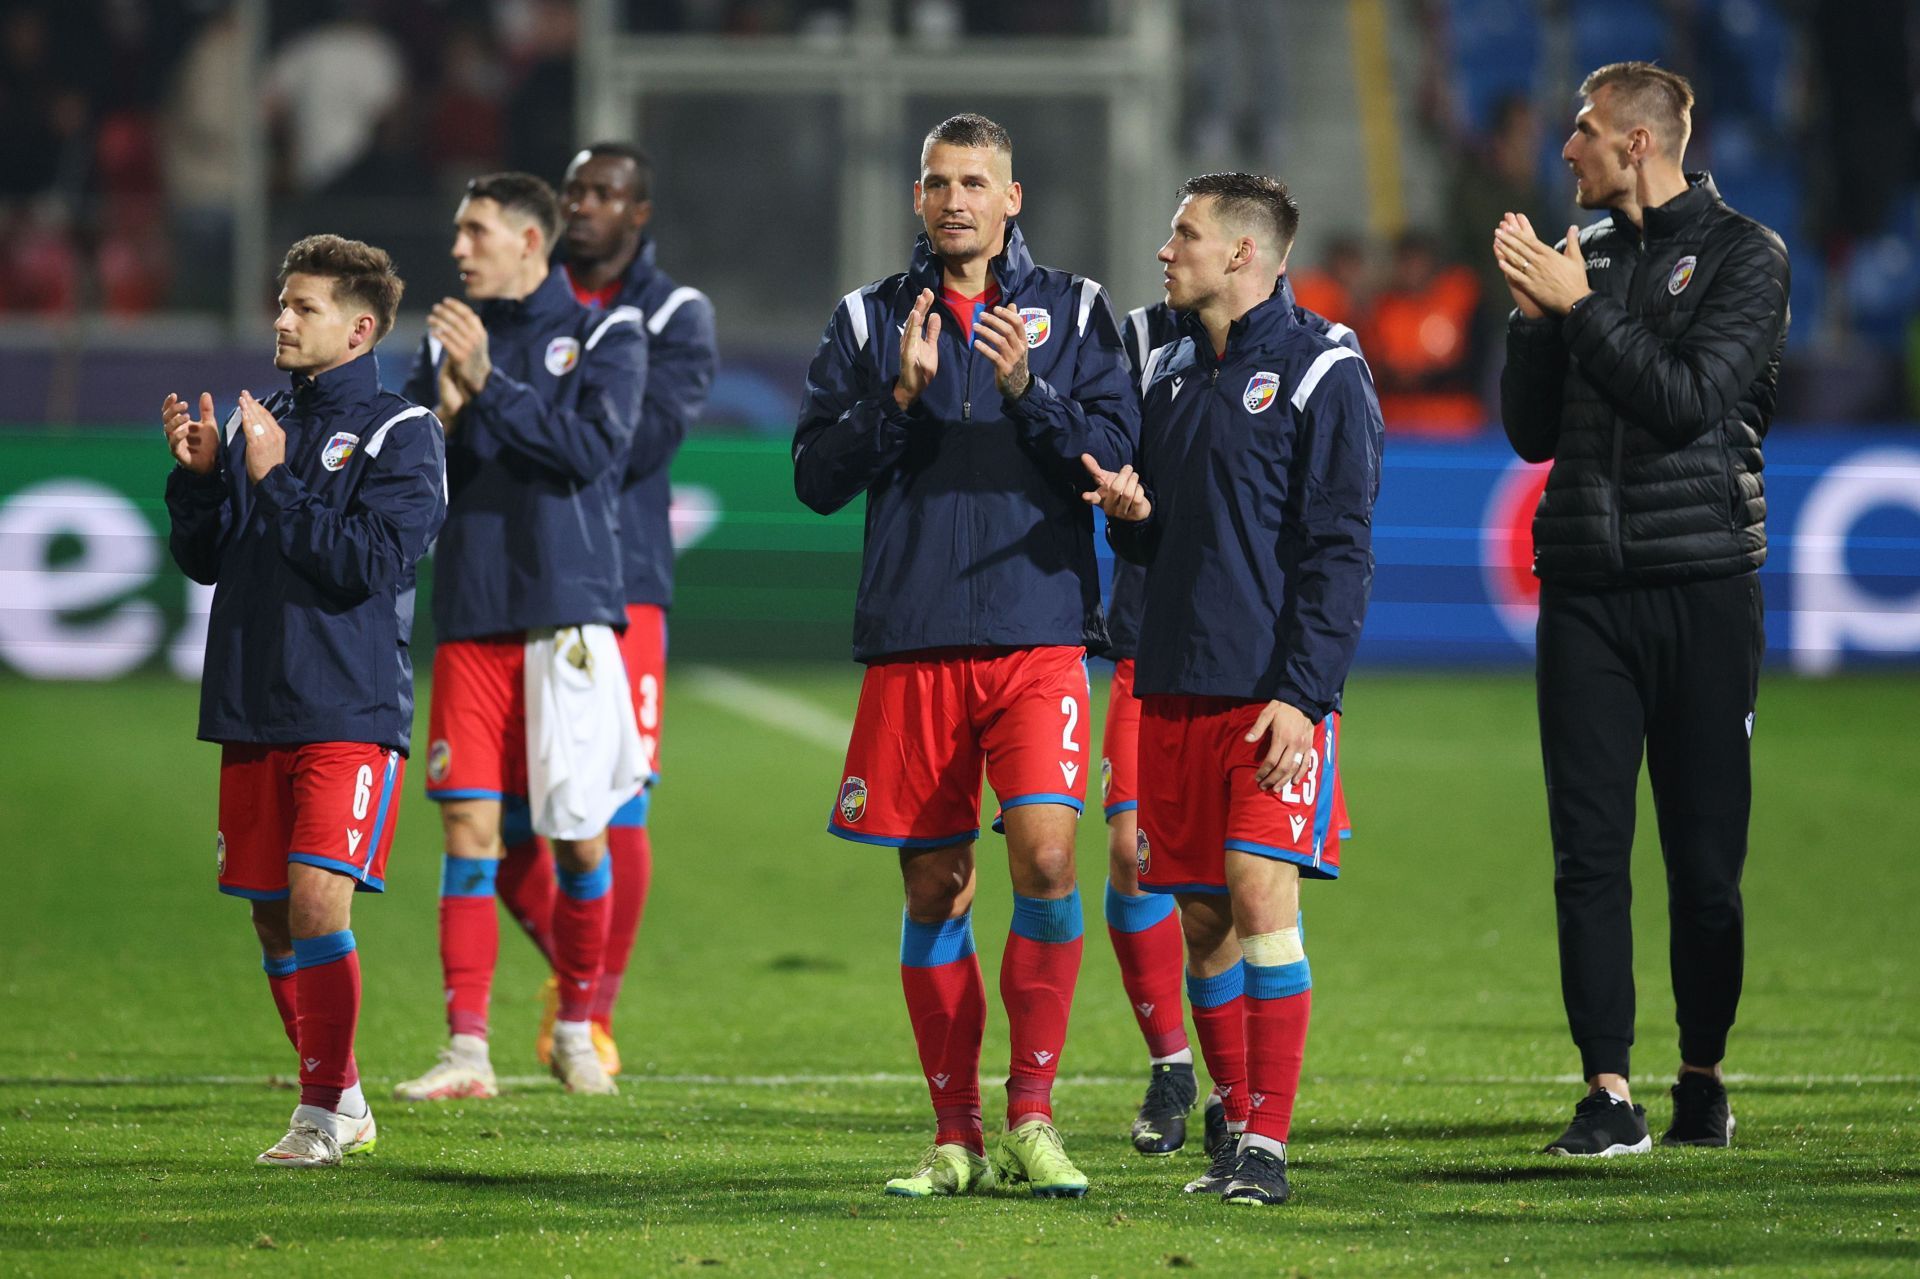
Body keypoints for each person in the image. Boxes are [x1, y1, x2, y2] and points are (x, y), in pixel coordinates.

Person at [794, 113, 1136, 1198]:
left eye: (975, 182)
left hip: (1039, 631)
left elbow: (1116, 454)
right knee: (937, 888)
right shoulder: (866, 318)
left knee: (1045, 859)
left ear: (1013, 197)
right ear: (916, 198)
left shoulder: (1078, 312)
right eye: (938, 182)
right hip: (915, 635)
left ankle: (1032, 1116)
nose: (955, 200)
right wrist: (892, 400)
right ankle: (957, 1136)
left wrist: (1033, 392)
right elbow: (813, 476)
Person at [1493, 63, 1789, 1157]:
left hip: (1706, 586)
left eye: (1582, 131)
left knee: (1706, 869)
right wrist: (1534, 323)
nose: (1564, 148)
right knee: (1588, 851)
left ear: (1638, 142)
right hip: (1582, 591)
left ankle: (1701, 1069)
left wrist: (1577, 311)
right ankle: (1607, 1090)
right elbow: (1532, 434)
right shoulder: (1587, 260)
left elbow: (1684, 403)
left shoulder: (1747, 257)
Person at [1090, 172, 1383, 1206]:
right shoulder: (1169, 374)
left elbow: (1340, 547)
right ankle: (1232, 1114)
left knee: (1262, 900)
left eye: (1184, 234)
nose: (1165, 252)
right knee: (1203, 923)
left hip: (1270, 700)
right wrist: (1130, 512)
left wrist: (1305, 694)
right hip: (1171, 688)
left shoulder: (1322, 370)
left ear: (1245, 255)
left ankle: (1269, 1145)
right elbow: (1165, 537)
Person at [163, 234, 446, 1166]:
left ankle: (319, 1112)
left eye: (305, 306)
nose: (282, 319)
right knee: (272, 912)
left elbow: (367, 563)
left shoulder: (404, 433)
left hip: (347, 708)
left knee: (320, 902)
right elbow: (208, 561)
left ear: (360, 328)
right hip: (251, 703)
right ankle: (348, 1095)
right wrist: (202, 483)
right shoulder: (261, 423)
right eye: (282, 302)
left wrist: (276, 480)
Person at [393, 172, 650, 1102]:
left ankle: (577, 1028)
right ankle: (467, 1050)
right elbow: (418, 473)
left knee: (580, 842)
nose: (459, 249)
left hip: (567, 616)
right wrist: (447, 413)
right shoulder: (444, 338)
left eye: (476, 231)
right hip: (470, 613)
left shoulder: (607, 334)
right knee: (467, 834)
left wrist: (488, 386)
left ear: (531, 242)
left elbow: (592, 453)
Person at [505, 141, 718, 1078]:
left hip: (619, 587)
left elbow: (626, 444)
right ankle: (574, 974)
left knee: (614, 806)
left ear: (638, 213)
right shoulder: (516, 297)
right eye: (572, 189)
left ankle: (591, 1013)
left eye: (602, 193)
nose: (581, 204)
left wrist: (515, 413)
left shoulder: (672, 314)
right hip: (508, 580)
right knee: (498, 821)